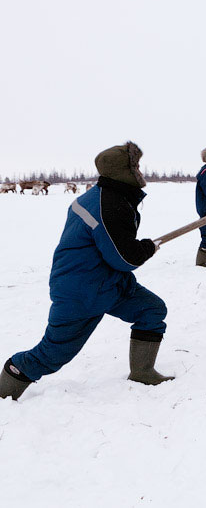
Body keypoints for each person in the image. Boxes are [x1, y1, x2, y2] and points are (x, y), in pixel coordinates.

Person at [1, 142, 171, 401]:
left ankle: (142, 372)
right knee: (53, 354)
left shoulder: (110, 197)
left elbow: (114, 252)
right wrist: (145, 248)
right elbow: (124, 258)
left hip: (107, 282)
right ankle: (11, 378)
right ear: (123, 172)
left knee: (152, 310)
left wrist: (139, 248)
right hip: (81, 289)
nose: (140, 170)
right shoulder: (108, 204)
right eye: (135, 166)